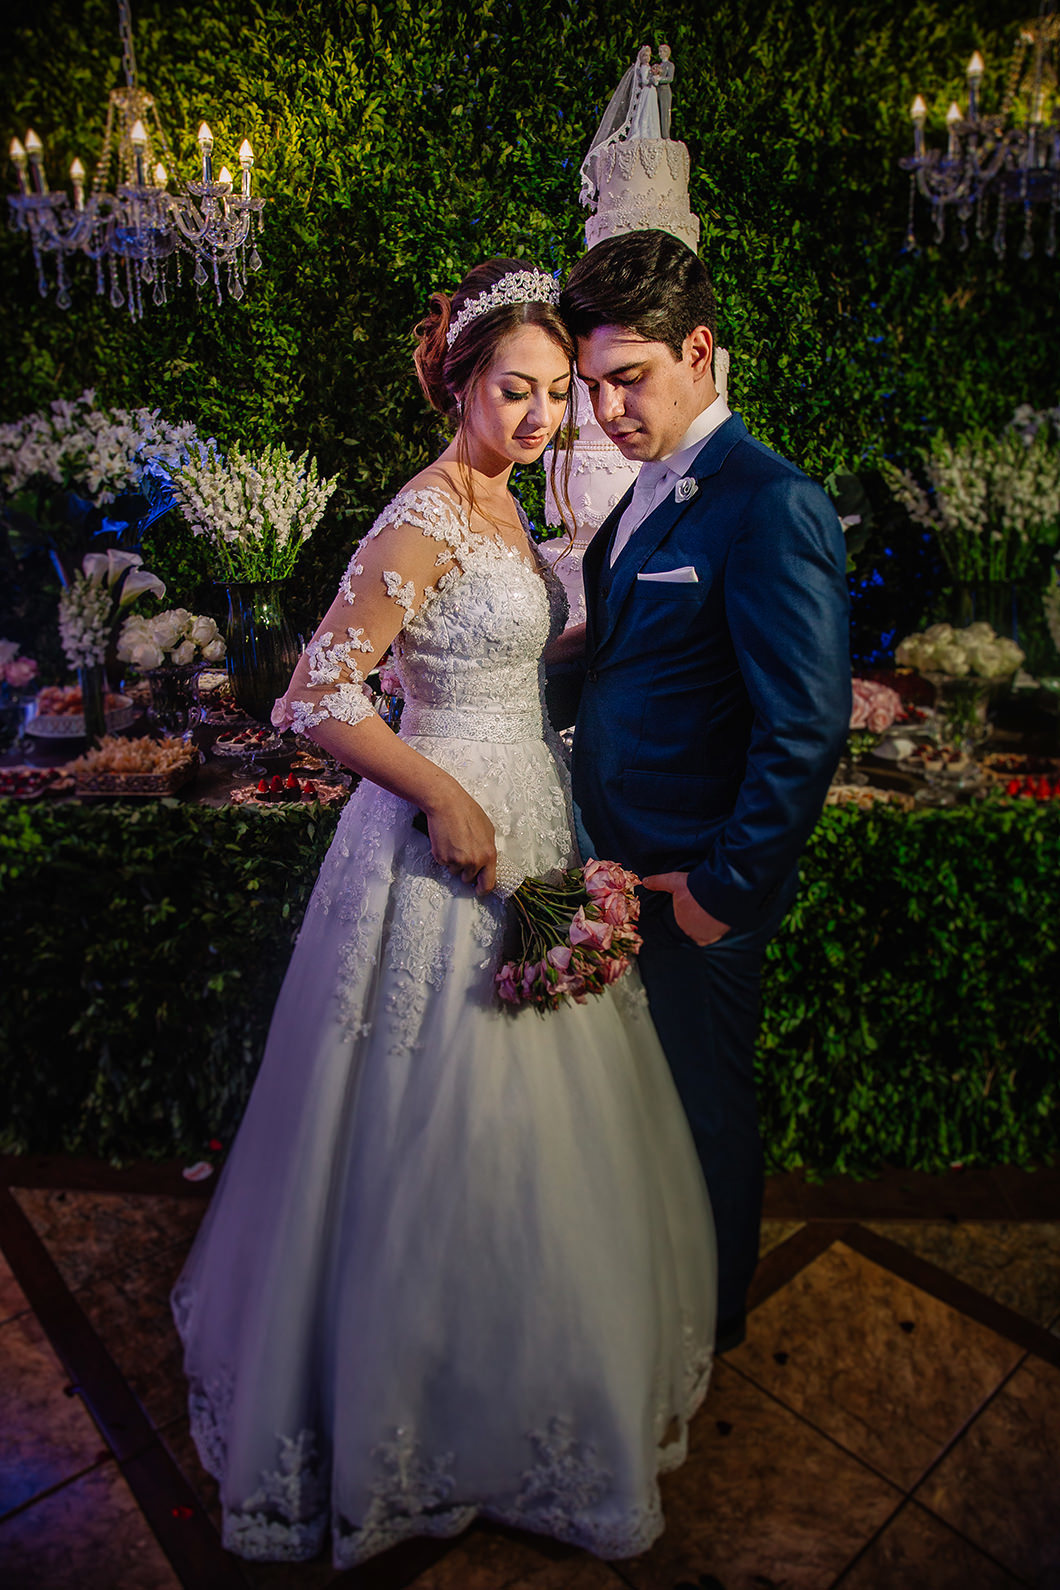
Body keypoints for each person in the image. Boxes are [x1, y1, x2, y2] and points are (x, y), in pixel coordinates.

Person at [172, 257, 716, 1570]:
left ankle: (529, 1393)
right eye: (515, 391)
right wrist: (439, 792)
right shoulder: (422, 511)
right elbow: (317, 694)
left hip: (534, 815)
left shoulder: (506, 506)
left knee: (542, 1123)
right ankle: (399, 1413)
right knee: (424, 1119)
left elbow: (513, 654)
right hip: (436, 851)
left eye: (554, 397)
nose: (540, 418)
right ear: (460, 383)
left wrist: (629, 647)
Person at [558, 229, 851, 1353]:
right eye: (594, 388)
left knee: (705, 1115)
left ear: (700, 348)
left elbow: (804, 726)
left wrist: (721, 892)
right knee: (647, 1117)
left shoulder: (769, 505)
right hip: (614, 868)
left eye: (628, 379)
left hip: (693, 881)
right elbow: (634, 657)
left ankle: (714, 1324)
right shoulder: (643, 500)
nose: (608, 411)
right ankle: (657, 1298)